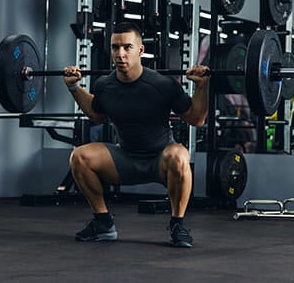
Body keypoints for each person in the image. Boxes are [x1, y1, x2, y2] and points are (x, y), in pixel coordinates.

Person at [63, 22, 210, 248]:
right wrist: (75, 88)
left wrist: (202, 87)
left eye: (127, 47)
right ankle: (103, 223)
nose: (120, 54)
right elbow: (97, 114)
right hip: (125, 158)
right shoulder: (104, 85)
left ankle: (177, 224)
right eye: (115, 48)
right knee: (79, 156)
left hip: (160, 159)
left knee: (180, 156)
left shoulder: (162, 84)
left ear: (140, 50)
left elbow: (196, 119)